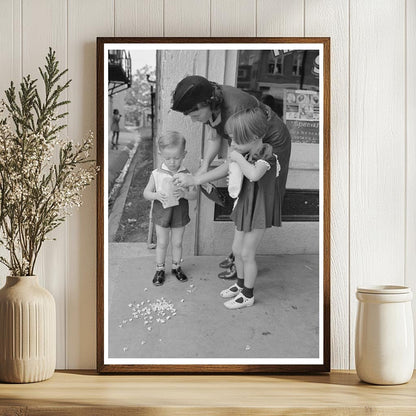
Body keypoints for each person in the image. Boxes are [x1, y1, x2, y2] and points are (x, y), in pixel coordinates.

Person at [171, 75, 291, 279]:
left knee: (259, 197)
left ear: (207, 103)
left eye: (194, 113)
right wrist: (204, 167)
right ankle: (238, 253)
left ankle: (243, 257)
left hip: (273, 142)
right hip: (250, 146)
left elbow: (233, 161)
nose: (192, 119)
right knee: (246, 195)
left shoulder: (237, 109)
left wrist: (196, 179)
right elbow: (215, 136)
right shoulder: (211, 101)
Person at [219, 107, 280, 309]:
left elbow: (254, 175)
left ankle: (248, 294)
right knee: (237, 250)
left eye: (236, 140)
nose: (233, 145)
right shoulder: (245, 154)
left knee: (247, 253)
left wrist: (237, 159)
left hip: (258, 211)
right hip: (245, 206)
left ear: (253, 137)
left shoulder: (267, 155)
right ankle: (240, 284)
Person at [143, 132, 197, 286]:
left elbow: (194, 195)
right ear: (161, 155)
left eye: (177, 158)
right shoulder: (157, 174)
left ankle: (176, 267)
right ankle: (160, 269)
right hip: (162, 214)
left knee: (178, 242)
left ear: (184, 154)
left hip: (179, 213)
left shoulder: (187, 175)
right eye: (168, 158)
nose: (172, 162)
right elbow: (146, 193)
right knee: (162, 242)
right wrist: (156, 196)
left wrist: (185, 193)